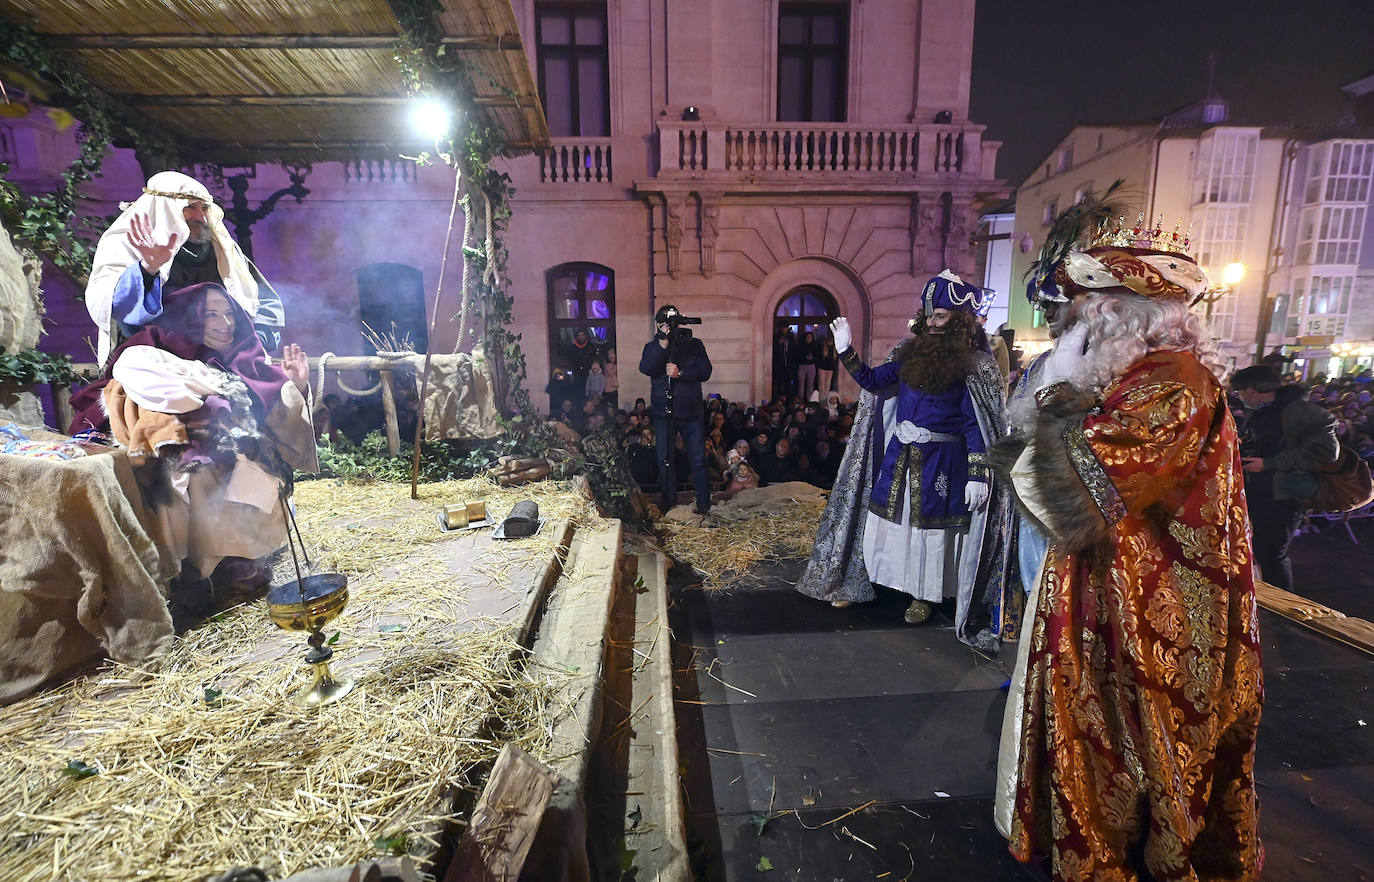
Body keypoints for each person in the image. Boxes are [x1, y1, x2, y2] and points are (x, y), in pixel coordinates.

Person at [992, 207, 1263, 881]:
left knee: (1134, 739)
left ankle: (1123, 852)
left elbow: (1084, 495)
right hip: (1119, 591)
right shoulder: (1144, 377)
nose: (1076, 321)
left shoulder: (1171, 382)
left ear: (1126, 314)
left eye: (1090, 308)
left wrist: (1053, 402)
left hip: (1149, 609)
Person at [795, 271, 1013, 650]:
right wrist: (846, 351)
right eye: (928, 316)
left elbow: (976, 423)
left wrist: (978, 473)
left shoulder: (973, 365)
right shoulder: (908, 353)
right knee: (889, 523)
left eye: (940, 316)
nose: (930, 323)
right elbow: (873, 381)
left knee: (929, 533)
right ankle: (882, 582)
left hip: (943, 464)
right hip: (900, 458)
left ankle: (925, 596)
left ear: (959, 319)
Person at [69, 282, 316, 591]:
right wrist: (208, 402)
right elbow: (144, 389)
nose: (225, 325)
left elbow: (277, 413)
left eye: (229, 314)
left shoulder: (247, 356)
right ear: (190, 318)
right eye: (211, 315)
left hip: (236, 449)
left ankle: (237, 555)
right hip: (183, 442)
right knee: (188, 474)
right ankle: (197, 569)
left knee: (256, 466)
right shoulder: (153, 352)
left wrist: (294, 386)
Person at [86, 170, 285, 367]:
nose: (201, 218)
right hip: (154, 363)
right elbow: (115, 307)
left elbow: (264, 302)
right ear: (165, 209)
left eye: (205, 208)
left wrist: (255, 340)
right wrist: (147, 269)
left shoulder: (223, 250)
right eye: (190, 207)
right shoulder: (127, 244)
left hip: (222, 360)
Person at [1232, 363, 1338, 591]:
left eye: (1240, 392)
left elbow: (1328, 451)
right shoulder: (1267, 410)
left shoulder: (1299, 409)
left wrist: (1269, 463)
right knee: (1264, 551)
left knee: (1273, 554)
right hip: (1265, 491)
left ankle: (1282, 609)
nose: (1240, 398)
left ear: (1251, 389)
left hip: (1285, 495)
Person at [639, 304, 713, 516]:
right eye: (664, 325)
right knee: (665, 460)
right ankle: (668, 502)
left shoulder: (694, 344)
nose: (669, 328)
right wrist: (662, 343)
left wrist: (682, 373)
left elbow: (705, 370)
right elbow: (646, 367)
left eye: (671, 324)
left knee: (698, 460)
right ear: (659, 325)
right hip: (664, 413)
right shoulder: (653, 346)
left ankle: (703, 504)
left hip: (690, 413)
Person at [795, 330, 819, 401]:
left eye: (810, 337)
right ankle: (800, 400)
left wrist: (812, 358)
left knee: (810, 385)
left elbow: (817, 356)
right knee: (801, 385)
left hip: (811, 366)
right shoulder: (800, 345)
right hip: (802, 366)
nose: (809, 338)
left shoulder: (814, 346)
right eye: (807, 337)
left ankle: (810, 400)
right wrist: (804, 356)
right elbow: (796, 356)